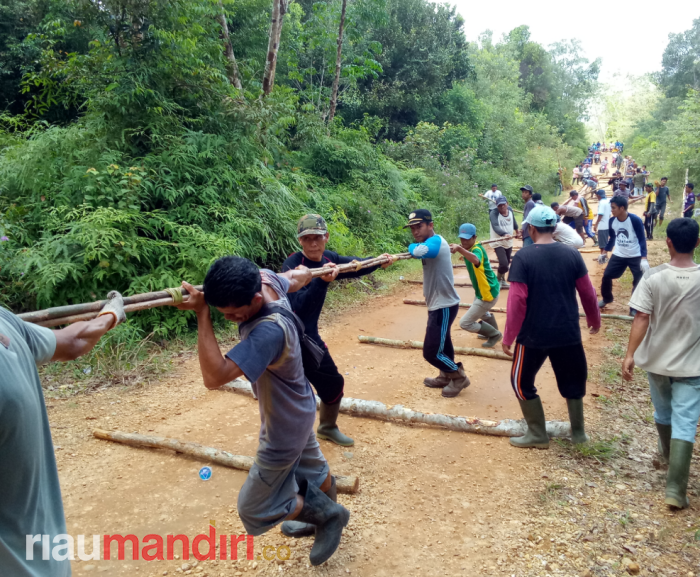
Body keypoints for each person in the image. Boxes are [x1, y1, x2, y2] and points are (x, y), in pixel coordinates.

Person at [175, 257, 349, 565]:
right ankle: (322, 518)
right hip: (300, 404)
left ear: (256, 299)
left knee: (253, 507)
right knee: (313, 466)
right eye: (220, 312)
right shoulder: (266, 278)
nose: (229, 319)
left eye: (231, 313)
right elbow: (297, 276)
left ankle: (328, 516)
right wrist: (307, 274)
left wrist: (202, 313)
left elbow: (214, 377)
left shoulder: (268, 332)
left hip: (283, 424)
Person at [1, 292, 127, 576]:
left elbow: (73, 341)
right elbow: (75, 341)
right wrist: (112, 313)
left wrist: (111, 313)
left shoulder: (5, 321)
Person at [282, 214, 395, 447]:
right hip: (295, 336)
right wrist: (321, 281)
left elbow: (353, 266)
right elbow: (297, 308)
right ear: (300, 241)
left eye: (318, 237)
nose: (313, 243)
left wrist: (377, 261)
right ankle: (292, 440)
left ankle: (326, 428)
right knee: (298, 389)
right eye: (308, 238)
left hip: (308, 335)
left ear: (327, 237)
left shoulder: (329, 258)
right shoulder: (292, 266)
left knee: (331, 385)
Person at [502, 205, 600, 449]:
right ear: (554, 227)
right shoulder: (572, 254)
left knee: (520, 381)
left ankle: (537, 433)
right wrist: (593, 318)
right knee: (574, 380)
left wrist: (508, 336)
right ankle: (579, 434)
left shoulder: (524, 257)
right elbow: (587, 291)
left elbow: (517, 301)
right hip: (567, 332)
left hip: (533, 335)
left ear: (531, 228)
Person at [622, 218, 700, 509]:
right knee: (686, 420)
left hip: (657, 362)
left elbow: (641, 317)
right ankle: (676, 490)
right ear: (697, 243)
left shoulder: (653, 277)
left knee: (663, 410)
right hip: (693, 365)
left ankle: (667, 456)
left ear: (668, 242)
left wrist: (630, 354)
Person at [406, 209, 468, 397]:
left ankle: (458, 376)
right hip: (439, 304)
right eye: (412, 228)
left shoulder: (435, 242)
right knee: (443, 343)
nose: (415, 231)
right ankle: (445, 375)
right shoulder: (428, 240)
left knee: (431, 351)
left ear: (430, 225)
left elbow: (419, 251)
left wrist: (410, 248)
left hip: (444, 305)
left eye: (419, 226)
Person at [449, 224, 503, 349]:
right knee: (483, 313)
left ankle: (494, 334)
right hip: (485, 290)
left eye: (467, 239)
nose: (464, 241)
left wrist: (461, 250)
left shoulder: (477, 250)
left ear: (475, 238)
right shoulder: (471, 248)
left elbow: (476, 259)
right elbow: (468, 254)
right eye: (462, 239)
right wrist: (460, 250)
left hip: (487, 293)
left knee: (465, 323)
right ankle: (491, 331)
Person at [599, 195, 649, 312]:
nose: (611, 210)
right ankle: (607, 298)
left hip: (635, 255)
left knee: (638, 280)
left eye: (613, 208)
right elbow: (612, 238)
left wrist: (644, 258)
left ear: (622, 208)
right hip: (619, 254)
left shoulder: (635, 220)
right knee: (607, 276)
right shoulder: (612, 221)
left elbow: (642, 239)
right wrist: (604, 252)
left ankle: (634, 306)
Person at [489, 195, 519, 288]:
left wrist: (517, 230)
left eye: (503, 204)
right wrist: (504, 234)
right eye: (499, 205)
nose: (502, 206)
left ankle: (502, 280)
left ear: (507, 203)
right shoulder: (493, 213)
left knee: (507, 263)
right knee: (504, 263)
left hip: (508, 241)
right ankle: (498, 280)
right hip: (498, 241)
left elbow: (513, 221)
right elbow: (495, 226)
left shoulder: (510, 210)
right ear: (496, 206)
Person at [594, 189, 612, 263]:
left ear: (598, 195)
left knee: (602, 242)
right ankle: (603, 256)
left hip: (602, 225)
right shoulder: (608, 201)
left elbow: (600, 214)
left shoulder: (601, 202)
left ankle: (604, 257)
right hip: (607, 223)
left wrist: (596, 224)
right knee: (605, 241)